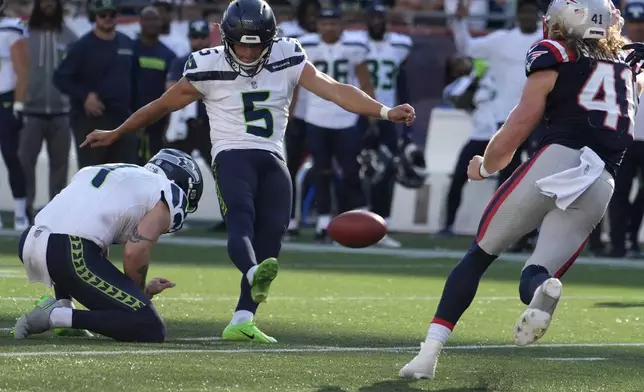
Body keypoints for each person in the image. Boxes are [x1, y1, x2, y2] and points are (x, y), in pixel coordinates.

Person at [80, 0, 415, 343]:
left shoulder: (287, 54)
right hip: (232, 155)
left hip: (272, 157)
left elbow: (335, 90)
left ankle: (242, 318)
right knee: (241, 219)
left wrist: (385, 112)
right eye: (241, 43)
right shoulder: (207, 64)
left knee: (272, 233)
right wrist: (117, 132)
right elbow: (161, 105)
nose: (249, 52)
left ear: (270, 39)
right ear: (226, 37)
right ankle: (253, 271)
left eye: (256, 45)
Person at [400, 0, 639, 379]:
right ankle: (543, 288)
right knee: (538, 272)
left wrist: (486, 165)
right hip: (602, 179)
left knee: (478, 256)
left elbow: (519, 123)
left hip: (558, 160)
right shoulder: (631, 63)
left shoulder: (556, 54)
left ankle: (427, 355)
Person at [13, 148, 204, 342]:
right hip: (68, 250)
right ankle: (55, 316)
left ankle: (64, 305)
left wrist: (139, 291)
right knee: (151, 327)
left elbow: (84, 230)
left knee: (90, 250)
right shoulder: (168, 191)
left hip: (31, 239)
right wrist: (139, 298)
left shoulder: (116, 172)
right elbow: (134, 252)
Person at [298, 8, 376, 243]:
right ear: (317, 25)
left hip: (346, 118)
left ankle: (365, 220)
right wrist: (291, 116)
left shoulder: (355, 48)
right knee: (321, 172)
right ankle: (323, 223)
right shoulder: (305, 46)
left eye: (333, 24)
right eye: (324, 23)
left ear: (341, 25)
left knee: (351, 171)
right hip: (315, 117)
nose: (328, 28)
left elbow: (365, 83)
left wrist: (372, 118)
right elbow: (294, 84)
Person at [53, 0, 137, 169]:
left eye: (112, 14)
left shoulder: (127, 43)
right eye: (103, 15)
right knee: (92, 174)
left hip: (123, 119)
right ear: (95, 17)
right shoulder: (82, 46)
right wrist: (84, 96)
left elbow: (136, 79)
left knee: (125, 174)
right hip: (91, 119)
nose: (107, 18)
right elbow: (60, 78)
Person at [359, 4, 413, 248]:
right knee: (355, 170)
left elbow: (401, 80)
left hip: (388, 116)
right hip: (357, 114)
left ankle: (381, 227)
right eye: (373, 17)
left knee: (388, 170)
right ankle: (353, 223)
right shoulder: (354, 43)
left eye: (380, 17)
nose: (377, 22)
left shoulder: (400, 45)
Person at [19, 0, 76, 223]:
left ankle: (54, 213)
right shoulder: (24, 36)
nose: (48, 5)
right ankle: (25, 211)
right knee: (25, 163)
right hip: (29, 112)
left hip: (62, 113)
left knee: (60, 167)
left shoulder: (70, 37)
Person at [438, 54, 497, 237]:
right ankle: (447, 225)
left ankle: (499, 229)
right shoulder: (455, 87)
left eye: (461, 59)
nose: (459, 64)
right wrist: (476, 79)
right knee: (458, 179)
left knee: (509, 182)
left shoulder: (494, 72)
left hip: (505, 133)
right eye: (454, 63)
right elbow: (463, 102)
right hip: (480, 136)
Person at [278, 0, 320, 239]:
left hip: (319, 110)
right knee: (288, 168)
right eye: (310, 12)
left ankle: (321, 218)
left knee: (323, 168)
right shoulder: (289, 33)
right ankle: (290, 219)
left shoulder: (328, 39)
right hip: (294, 110)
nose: (314, 18)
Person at [608, 1, 644, 257]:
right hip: (621, 134)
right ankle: (618, 244)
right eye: (633, 22)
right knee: (617, 191)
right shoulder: (613, 51)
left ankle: (630, 236)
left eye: (642, 23)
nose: (638, 28)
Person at [132, 6, 176, 163]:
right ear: (140, 22)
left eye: (155, 19)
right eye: (148, 19)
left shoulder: (169, 55)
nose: (151, 23)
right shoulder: (129, 50)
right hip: (130, 121)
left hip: (157, 123)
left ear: (161, 22)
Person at [165, 19, 212, 166]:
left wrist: (191, 88)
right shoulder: (180, 62)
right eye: (195, 37)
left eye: (203, 37)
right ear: (190, 38)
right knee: (177, 171)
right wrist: (204, 89)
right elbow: (171, 90)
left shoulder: (218, 61)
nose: (199, 41)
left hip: (211, 126)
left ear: (209, 38)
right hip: (185, 125)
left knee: (222, 173)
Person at [0, 4, 29, 230]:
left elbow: (22, 71)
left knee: (11, 157)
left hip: (5, 99)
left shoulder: (12, 28)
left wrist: (18, 104)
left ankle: (20, 214)